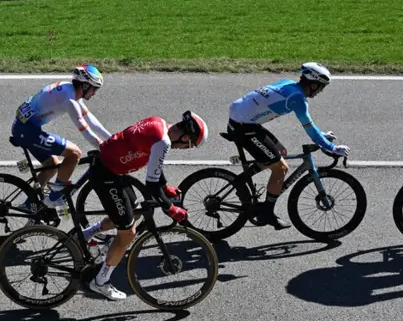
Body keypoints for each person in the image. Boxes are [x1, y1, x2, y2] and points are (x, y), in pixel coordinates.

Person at [82, 111, 208, 300]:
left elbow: (155, 164)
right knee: (128, 233)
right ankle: (100, 282)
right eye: (188, 145)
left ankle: (86, 235)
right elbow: (151, 184)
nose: (184, 149)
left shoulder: (158, 122)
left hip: (112, 169)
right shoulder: (163, 142)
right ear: (184, 137)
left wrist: (165, 187)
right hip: (107, 175)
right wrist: (170, 208)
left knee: (134, 212)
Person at [226, 63, 349, 229]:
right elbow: (309, 128)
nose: (321, 91)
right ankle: (267, 213)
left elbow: (312, 127)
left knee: (280, 152)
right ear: (313, 85)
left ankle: (241, 181)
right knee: (281, 168)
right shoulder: (297, 99)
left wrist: (321, 136)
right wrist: (332, 148)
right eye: (321, 87)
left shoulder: (288, 84)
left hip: (242, 121)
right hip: (244, 127)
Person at [10, 65, 109, 209]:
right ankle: (55, 197)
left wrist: (113, 139)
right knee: (74, 153)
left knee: (51, 166)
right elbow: (85, 130)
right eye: (94, 88)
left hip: (23, 128)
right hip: (27, 131)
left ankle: (31, 204)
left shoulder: (69, 89)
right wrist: (104, 147)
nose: (95, 93)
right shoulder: (69, 100)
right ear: (85, 85)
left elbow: (92, 121)